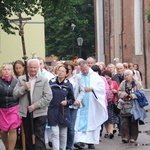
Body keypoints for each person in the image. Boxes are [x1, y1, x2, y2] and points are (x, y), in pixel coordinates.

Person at [13, 58, 52, 150]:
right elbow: (15, 94)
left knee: (39, 136)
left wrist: (35, 106)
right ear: (27, 68)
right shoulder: (21, 80)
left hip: (40, 113)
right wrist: (23, 88)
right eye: (31, 67)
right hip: (26, 113)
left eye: (35, 67)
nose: (33, 70)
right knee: (28, 137)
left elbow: (48, 97)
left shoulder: (44, 80)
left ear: (38, 67)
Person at [74, 60, 108, 149]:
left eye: (85, 69)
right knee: (80, 121)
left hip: (92, 103)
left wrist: (92, 88)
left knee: (92, 121)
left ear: (88, 67)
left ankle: (91, 141)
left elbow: (101, 87)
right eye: (82, 70)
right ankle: (80, 141)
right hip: (81, 103)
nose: (84, 71)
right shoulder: (78, 77)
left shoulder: (95, 76)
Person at [47, 64, 75, 150]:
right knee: (54, 133)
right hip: (53, 110)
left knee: (63, 133)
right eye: (59, 70)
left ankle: (63, 148)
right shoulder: (51, 82)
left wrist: (67, 102)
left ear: (66, 74)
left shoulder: (68, 85)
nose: (60, 73)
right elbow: (46, 94)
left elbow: (72, 99)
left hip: (64, 111)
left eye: (63, 71)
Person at [118, 69, 146, 143]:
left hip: (134, 105)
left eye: (128, 75)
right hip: (124, 105)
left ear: (131, 75)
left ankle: (133, 137)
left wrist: (133, 95)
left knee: (133, 122)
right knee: (124, 122)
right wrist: (124, 95)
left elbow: (142, 93)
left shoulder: (137, 83)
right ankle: (125, 137)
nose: (126, 77)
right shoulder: (123, 83)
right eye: (125, 75)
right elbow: (119, 91)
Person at [0, 63, 22, 150]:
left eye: (8, 69)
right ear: (1, 71)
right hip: (2, 109)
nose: (6, 71)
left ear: (11, 71)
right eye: (4, 69)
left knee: (13, 129)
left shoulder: (16, 81)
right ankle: (7, 147)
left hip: (13, 108)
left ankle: (11, 149)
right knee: (2, 131)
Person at [64, 61, 85, 150]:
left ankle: (69, 146)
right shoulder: (61, 78)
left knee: (71, 126)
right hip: (63, 105)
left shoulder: (77, 78)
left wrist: (78, 100)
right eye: (66, 69)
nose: (67, 71)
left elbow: (82, 90)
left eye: (69, 69)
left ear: (72, 69)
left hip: (73, 105)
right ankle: (62, 145)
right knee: (63, 126)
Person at [102, 70, 119, 139]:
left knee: (111, 117)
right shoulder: (101, 84)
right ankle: (108, 132)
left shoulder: (114, 83)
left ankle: (110, 132)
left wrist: (115, 91)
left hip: (111, 102)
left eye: (108, 78)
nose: (107, 80)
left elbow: (118, 91)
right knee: (105, 118)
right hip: (103, 102)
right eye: (105, 78)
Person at [13, 60, 26, 150]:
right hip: (14, 105)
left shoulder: (26, 78)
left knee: (24, 129)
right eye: (16, 68)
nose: (18, 70)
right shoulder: (14, 79)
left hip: (24, 105)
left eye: (20, 68)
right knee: (14, 128)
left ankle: (23, 146)